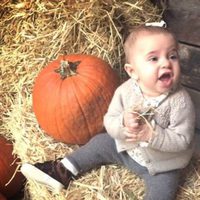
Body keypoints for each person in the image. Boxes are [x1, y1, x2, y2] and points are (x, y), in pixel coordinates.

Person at [21, 22, 196, 200]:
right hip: (127, 151)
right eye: (154, 58)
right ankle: (62, 170)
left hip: (161, 166)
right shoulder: (125, 91)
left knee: (164, 191)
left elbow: (182, 141)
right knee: (101, 142)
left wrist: (152, 135)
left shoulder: (180, 102)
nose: (166, 63)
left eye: (172, 56)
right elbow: (110, 121)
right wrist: (123, 122)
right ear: (132, 71)